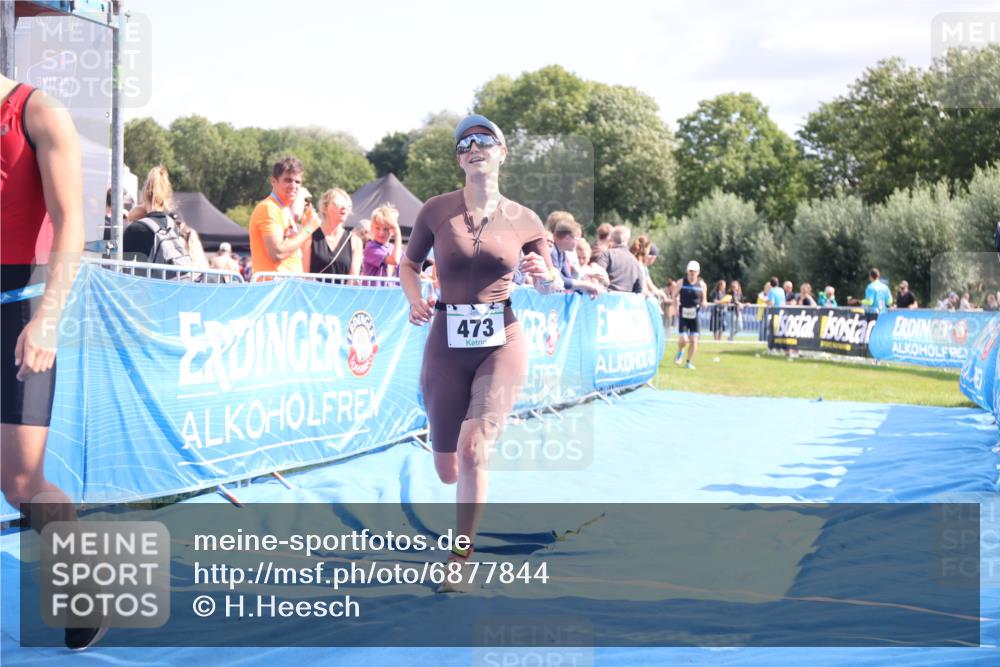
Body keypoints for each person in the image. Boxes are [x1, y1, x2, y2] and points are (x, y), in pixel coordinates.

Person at [398, 114, 560, 589]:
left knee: (473, 451)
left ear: (502, 152)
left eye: (484, 140)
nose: (474, 147)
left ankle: (460, 558)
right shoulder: (435, 210)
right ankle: (465, 459)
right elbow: (409, 266)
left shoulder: (526, 219)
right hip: (445, 340)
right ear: (459, 158)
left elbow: (551, 283)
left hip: (501, 341)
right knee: (447, 467)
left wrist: (543, 275)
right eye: (464, 143)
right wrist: (415, 299)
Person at [0, 76, 104, 650]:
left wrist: (48, 319)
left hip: (18, 313)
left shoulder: (37, 110)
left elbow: (72, 226)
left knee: (21, 482)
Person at [248, 156, 320, 276]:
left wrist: (305, 226)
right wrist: (309, 229)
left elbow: (292, 249)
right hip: (275, 288)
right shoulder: (269, 208)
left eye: (297, 182)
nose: (293, 186)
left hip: (287, 287)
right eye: (288, 180)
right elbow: (277, 253)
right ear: (273, 181)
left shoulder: (283, 209)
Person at [302, 187, 363, 281]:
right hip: (315, 294)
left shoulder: (355, 241)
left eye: (347, 205)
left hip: (342, 294)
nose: (344, 208)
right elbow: (305, 276)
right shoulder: (309, 238)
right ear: (325, 208)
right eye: (338, 203)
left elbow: (353, 280)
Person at [552, 219, 602, 298]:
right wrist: (587, 285)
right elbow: (559, 280)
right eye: (577, 239)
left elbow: (569, 279)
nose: (578, 242)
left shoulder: (562, 253)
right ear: (567, 238)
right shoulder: (552, 251)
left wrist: (587, 289)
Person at [673, 260, 708, 369]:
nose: (692, 273)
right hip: (683, 312)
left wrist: (704, 303)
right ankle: (680, 351)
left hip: (695, 314)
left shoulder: (702, 284)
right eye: (690, 271)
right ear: (687, 271)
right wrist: (675, 308)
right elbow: (674, 295)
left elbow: (704, 299)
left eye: (694, 271)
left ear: (698, 272)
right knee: (683, 339)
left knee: (694, 340)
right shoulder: (681, 282)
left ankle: (688, 362)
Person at [592, 225, 644, 293]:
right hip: (625, 301)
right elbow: (639, 287)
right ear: (627, 240)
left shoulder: (607, 254)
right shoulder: (634, 261)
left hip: (607, 298)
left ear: (612, 238)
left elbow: (598, 273)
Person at [362, 204, 403, 280]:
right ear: (371, 227)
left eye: (386, 229)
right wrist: (398, 235)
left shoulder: (395, 249)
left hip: (391, 290)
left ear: (392, 229)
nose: (381, 233)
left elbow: (409, 266)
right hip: (373, 291)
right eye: (377, 228)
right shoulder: (371, 247)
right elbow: (394, 260)